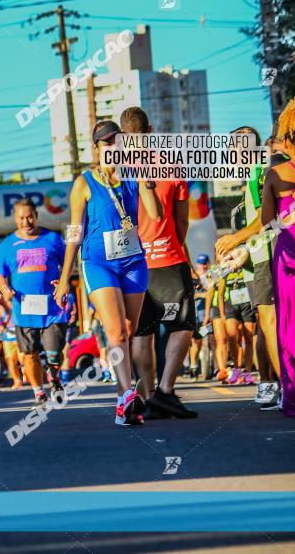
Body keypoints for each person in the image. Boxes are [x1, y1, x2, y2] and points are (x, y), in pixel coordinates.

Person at [54, 119, 162, 426]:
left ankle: (121, 398)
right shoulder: (84, 183)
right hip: (98, 263)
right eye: (106, 143)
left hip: (132, 262)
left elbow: (155, 213)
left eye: (117, 141)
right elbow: (75, 232)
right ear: (97, 148)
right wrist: (64, 280)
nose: (113, 147)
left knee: (127, 332)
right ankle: (128, 393)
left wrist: (146, 177)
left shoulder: (134, 174)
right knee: (115, 333)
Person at [120, 107, 198, 420]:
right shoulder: (169, 163)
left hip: (134, 263)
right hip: (167, 256)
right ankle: (165, 391)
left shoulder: (117, 170)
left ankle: (148, 395)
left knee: (143, 334)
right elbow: (181, 220)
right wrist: (181, 252)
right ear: (149, 130)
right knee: (183, 325)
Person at [215, 126, 285, 407]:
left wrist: (236, 240)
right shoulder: (255, 174)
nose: (232, 154)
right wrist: (242, 249)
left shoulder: (260, 171)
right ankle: (273, 384)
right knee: (265, 327)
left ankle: (283, 387)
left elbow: (265, 219)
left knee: (270, 325)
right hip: (259, 259)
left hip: (270, 259)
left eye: (235, 148)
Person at [261, 95, 295, 417]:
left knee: (294, 328)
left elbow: (269, 225)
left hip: (289, 260)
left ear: (289, 134)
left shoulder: (275, 175)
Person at [0, 199, 68, 405]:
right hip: (24, 308)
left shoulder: (52, 239)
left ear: (36, 216)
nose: (26, 221)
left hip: (53, 307)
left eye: (29, 217)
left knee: (54, 353)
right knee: (30, 353)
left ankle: (53, 375)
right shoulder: (8, 244)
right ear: (15, 219)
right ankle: (39, 392)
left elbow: (69, 264)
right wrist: (5, 289)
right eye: (21, 218)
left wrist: (63, 282)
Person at [190, 254, 215, 381]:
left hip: (209, 314)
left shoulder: (211, 275)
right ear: (196, 264)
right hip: (195, 315)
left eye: (205, 263)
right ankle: (193, 367)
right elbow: (192, 295)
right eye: (200, 263)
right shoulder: (193, 277)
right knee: (197, 342)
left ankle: (213, 368)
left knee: (212, 339)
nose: (203, 266)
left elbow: (213, 293)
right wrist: (203, 295)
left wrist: (204, 295)